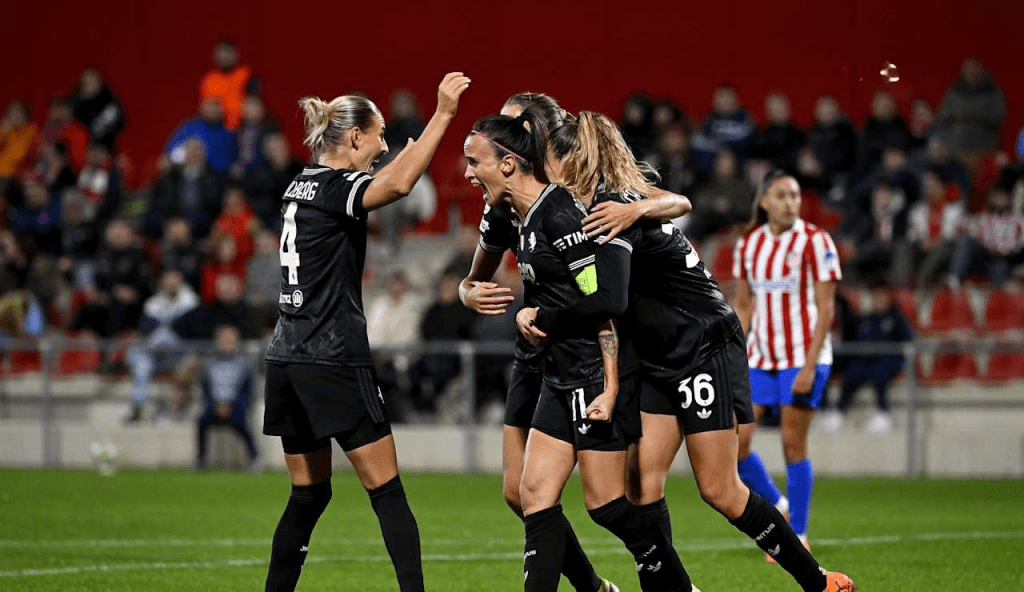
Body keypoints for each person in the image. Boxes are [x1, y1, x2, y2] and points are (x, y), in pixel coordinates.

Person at [522, 112, 854, 592]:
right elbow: (673, 206)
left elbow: (610, 300)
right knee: (640, 482)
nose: (541, 167)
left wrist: (547, 319)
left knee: (720, 490)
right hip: (659, 357)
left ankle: (817, 581)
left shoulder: (612, 208)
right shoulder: (613, 205)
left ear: (574, 160)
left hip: (700, 347)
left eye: (547, 157)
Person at [459, 91, 691, 592]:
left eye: (474, 161)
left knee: (607, 506)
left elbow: (605, 302)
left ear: (510, 160)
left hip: (587, 372)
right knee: (533, 494)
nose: (467, 173)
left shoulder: (563, 214)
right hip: (554, 373)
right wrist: (470, 290)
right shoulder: (515, 214)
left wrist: (608, 386)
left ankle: (676, 585)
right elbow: (481, 275)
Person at [261, 71, 469, 592]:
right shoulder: (336, 186)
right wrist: (442, 115)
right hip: (333, 355)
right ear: (355, 137)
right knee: (387, 490)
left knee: (308, 495)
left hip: (286, 356)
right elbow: (399, 184)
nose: (382, 147)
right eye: (378, 136)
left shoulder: (298, 184)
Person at [732, 170, 843, 563]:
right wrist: (734, 355)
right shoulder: (748, 246)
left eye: (795, 195)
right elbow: (744, 306)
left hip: (802, 357)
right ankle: (778, 504)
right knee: (736, 443)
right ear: (764, 201)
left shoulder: (816, 241)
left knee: (792, 444)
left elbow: (826, 308)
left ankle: (797, 533)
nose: (791, 202)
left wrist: (811, 366)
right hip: (760, 358)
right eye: (781, 195)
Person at [818, 280, 912, 434]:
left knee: (880, 374)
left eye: (880, 297)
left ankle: (884, 412)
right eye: (874, 297)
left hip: (888, 360)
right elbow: (853, 338)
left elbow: (907, 341)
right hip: (866, 360)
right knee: (852, 373)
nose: (876, 301)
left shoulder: (896, 318)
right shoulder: (865, 320)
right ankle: (839, 412)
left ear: (887, 298)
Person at [124, 269, 199, 423]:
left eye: (175, 278)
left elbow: (191, 330)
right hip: (156, 355)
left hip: (181, 353)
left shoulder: (191, 301)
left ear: (181, 280)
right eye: (168, 279)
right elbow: (146, 330)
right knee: (141, 364)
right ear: (162, 282)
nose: (171, 283)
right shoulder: (153, 303)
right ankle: (138, 407)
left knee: (164, 336)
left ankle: (176, 411)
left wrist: (166, 325)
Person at [195, 324, 260, 470]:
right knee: (201, 421)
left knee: (241, 422)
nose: (227, 343)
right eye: (224, 340)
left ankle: (255, 457)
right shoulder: (209, 364)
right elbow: (206, 391)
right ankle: (200, 459)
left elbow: (247, 392)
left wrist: (231, 405)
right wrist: (216, 405)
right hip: (214, 407)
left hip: (236, 407)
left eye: (230, 340)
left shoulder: (245, 364)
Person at [199, 40, 259, 131]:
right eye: (221, 52)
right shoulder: (209, 79)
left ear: (236, 54)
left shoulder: (246, 74)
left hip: (243, 127)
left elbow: (255, 104)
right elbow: (205, 108)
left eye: (228, 52)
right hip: (216, 128)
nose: (224, 56)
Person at [71, 68, 126, 151]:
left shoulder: (109, 102)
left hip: (105, 150)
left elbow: (121, 124)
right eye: (86, 84)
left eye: (92, 83)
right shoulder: (75, 103)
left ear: (99, 83)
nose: (89, 87)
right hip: (81, 151)